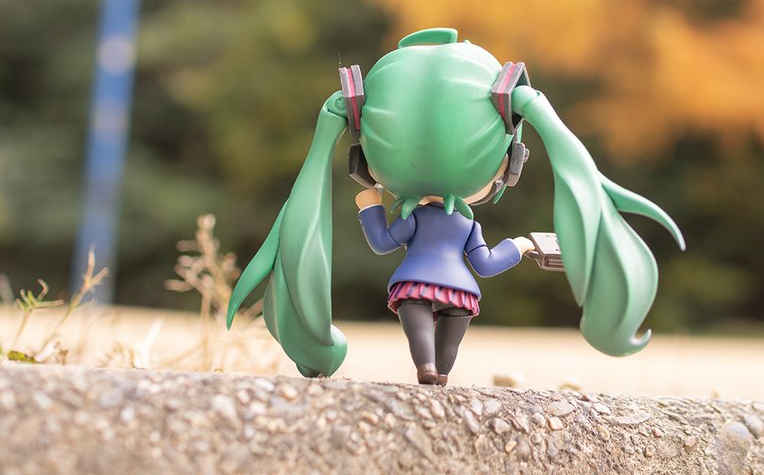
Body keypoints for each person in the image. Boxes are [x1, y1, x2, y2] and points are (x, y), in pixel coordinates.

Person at [227, 27, 684, 384]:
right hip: (461, 290)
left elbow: (382, 244)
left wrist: (369, 205)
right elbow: (484, 264)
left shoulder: (411, 219)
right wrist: (522, 245)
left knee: (419, 329)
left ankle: (428, 367)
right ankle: (440, 372)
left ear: (363, 161)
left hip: (412, 285)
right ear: (510, 162)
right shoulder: (466, 226)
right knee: (450, 335)